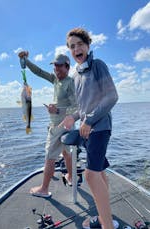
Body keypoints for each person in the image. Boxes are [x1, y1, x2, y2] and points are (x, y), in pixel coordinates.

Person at [59, 28, 119, 229]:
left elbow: (112, 96)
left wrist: (89, 120)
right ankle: (104, 217)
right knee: (99, 172)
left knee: (90, 174)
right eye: (72, 46)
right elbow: (82, 108)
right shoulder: (76, 76)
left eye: (80, 44)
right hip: (87, 129)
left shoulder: (98, 66)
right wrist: (72, 117)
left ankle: (107, 225)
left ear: (88, 45)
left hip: (100, 128)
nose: (76, 48)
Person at [18, 51, 77, 197]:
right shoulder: (55, 80)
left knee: (50, 156)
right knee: (66, 153)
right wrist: (25, 60)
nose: (56, 69)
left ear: (67, 67)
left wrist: (57, 110)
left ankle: (44, 189)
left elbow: (76, 106)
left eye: (59, 66)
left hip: (60, 126)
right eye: (54, 66)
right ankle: (71, 177)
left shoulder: (70, 83)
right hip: (65, 126)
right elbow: (38, 72)